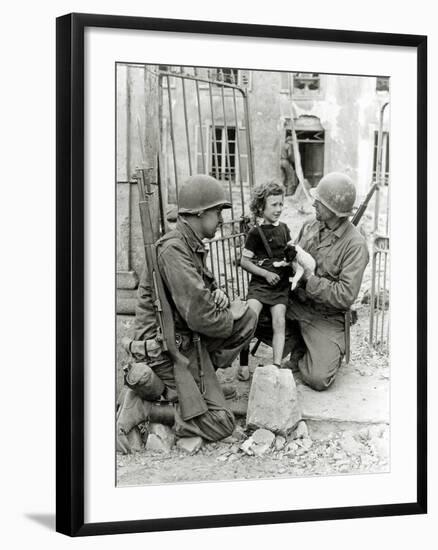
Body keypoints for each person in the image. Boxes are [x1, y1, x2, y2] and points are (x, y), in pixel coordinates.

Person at [117, 175, 258, 452]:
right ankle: (148, 407)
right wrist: (227, 311)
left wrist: (220, 298)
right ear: (198, 213)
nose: (220, 219)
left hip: (187, 339)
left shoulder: (189, 244)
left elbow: (202, 297)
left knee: (248, 316)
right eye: (217, 212)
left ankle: (197, 386)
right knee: (222, 423)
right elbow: (200, 316)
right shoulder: (173, 250)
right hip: (166, 351)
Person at [285, 172, 369, 391]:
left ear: (334, 211)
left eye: (319, 202)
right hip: (296, 304)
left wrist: (310, 279)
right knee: (256, 318)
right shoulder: (309, 226)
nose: (313, 204)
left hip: (326, 316)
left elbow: (345, 295)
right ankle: (300, 343)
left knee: (319, 378)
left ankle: (309, 351)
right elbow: (295, 254)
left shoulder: (355, 245)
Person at [239, 181, 292, 379]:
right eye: (274, 205)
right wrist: (265, 274)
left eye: (281, 204)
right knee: (249, 320)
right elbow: (244, 262)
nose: (279, 209)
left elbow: (289, 255)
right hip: (260, 285)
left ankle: (276, 366)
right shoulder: (255, 233)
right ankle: (243, 364)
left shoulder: (285, 229)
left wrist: (291, 261)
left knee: (279, 322)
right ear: (261, 208)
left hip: (280, 286)